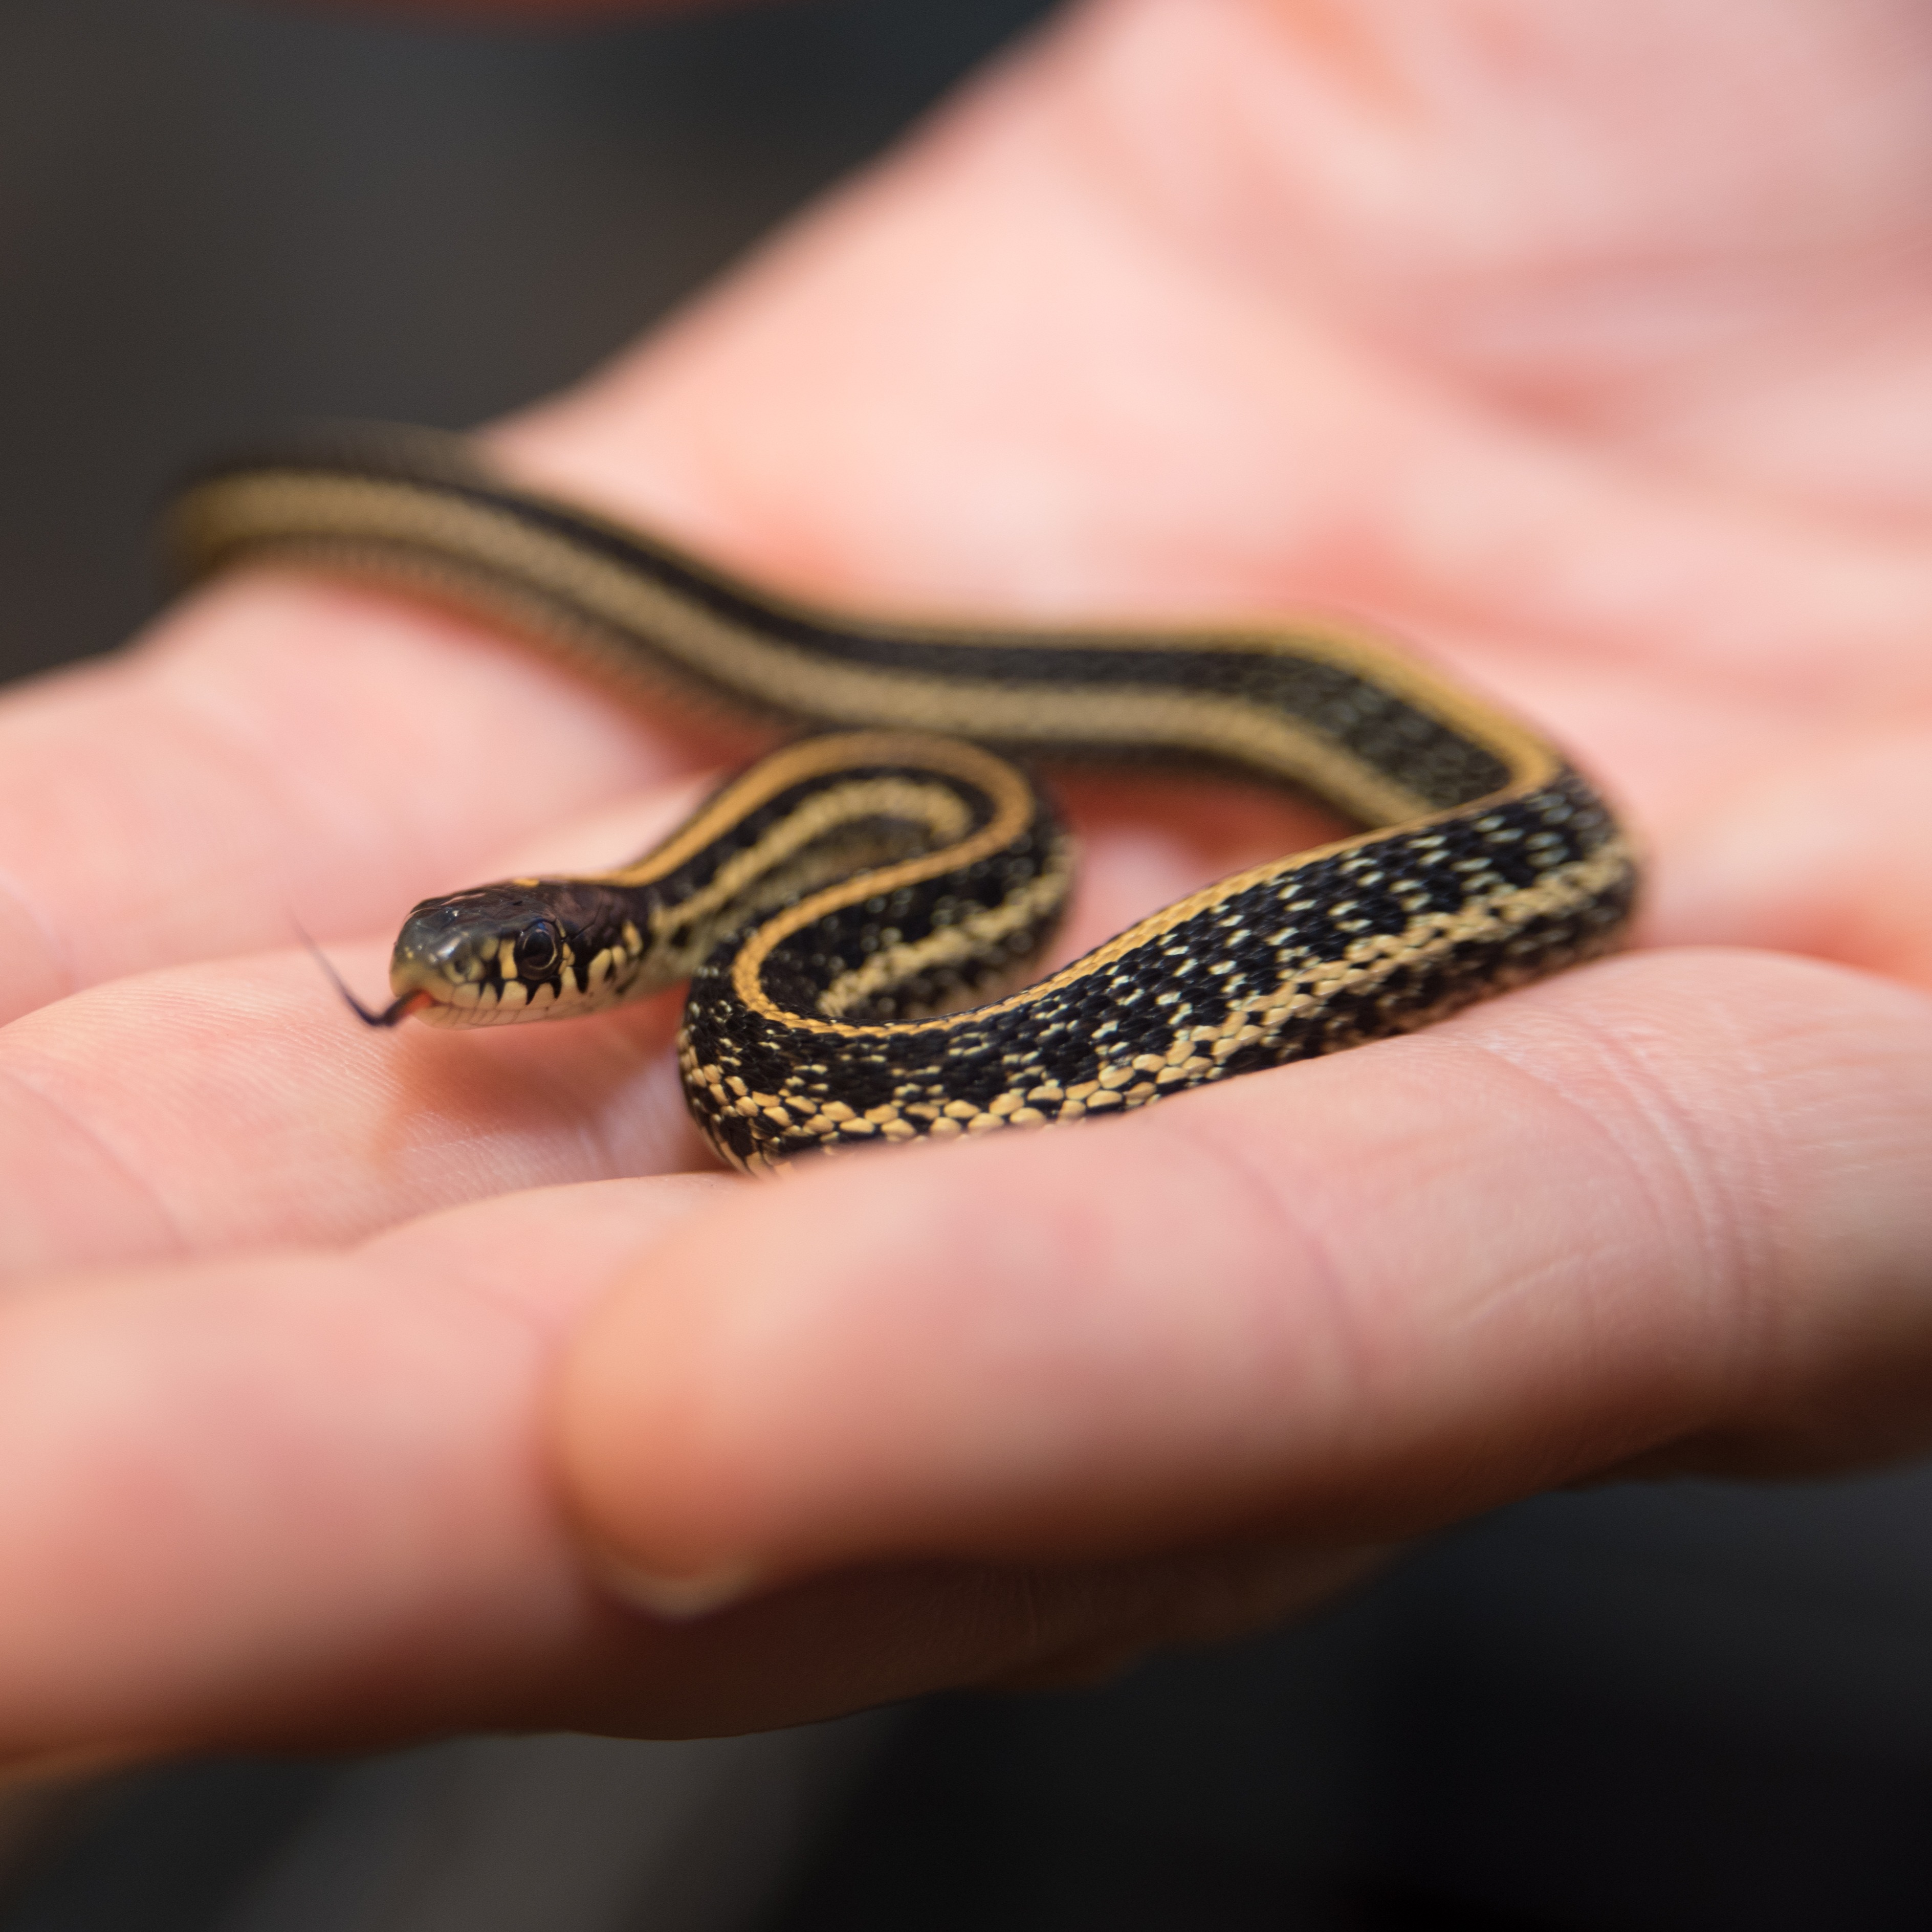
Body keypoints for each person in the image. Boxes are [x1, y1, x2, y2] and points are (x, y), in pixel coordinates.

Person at [2, 0, 1929, 1768]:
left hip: (1503, 824)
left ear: (596, 942)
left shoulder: (811, 931)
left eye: (506, 962)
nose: (468, 984)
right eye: (473, 960)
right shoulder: (743, 971)